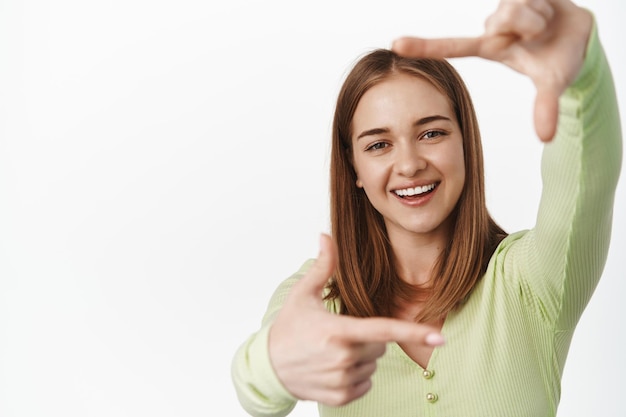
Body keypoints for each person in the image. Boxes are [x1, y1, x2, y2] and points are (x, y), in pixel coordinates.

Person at [231, 0, 622, 416]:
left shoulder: (530, 284)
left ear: (464, 142)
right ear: (354, 168)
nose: (410, 164)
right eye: (379, 144)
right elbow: (255, 390)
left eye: (432, 132)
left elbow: (584, 179)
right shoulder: (320, 299)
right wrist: (274, 365)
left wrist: (582, 79)